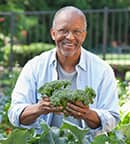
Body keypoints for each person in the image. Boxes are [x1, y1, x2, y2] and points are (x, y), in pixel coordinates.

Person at [8, 6, 120, 135]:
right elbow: (14, 114)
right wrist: (39, 108)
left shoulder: (102, 70)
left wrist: (87, 114)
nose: (70, 37)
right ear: (53, 34)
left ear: (84, 35)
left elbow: (112, 118)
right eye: (63, 30)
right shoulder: (34, 66)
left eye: (77, 32)